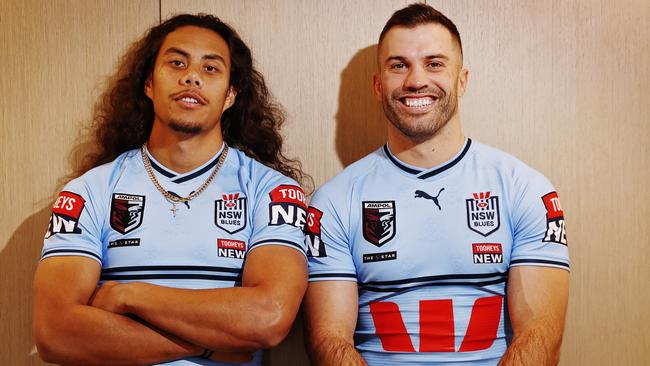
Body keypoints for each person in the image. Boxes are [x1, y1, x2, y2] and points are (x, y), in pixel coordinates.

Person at [33, 14, 309, 366]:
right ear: (149, 83)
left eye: (211, 69)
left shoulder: (272, 192)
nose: (191, 76)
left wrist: (128, 294)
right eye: (176, 62)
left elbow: (268, 317)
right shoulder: (89, 192)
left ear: (231, 95)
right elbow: (55, 333)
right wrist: (206, 346)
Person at [304, 3, 570, 365]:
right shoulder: (334, 201)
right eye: (399, 65)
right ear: (378, 85)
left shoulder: (525, 189)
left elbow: (541, 336)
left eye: (434, 63)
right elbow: (327, 340)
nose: (416, 80)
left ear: (462, 81)